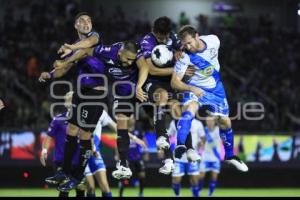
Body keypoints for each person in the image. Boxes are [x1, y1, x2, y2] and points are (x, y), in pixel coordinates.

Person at [52, 40, 146, 180]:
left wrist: (139, 86)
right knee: (75, 131)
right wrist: (68, 57)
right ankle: (70, 174)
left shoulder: (136, 56)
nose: (130, 63)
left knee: (100, 182)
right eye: (128, 59)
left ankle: (76, 176)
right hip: (114, 95)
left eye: (133, 59)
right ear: (120, 52)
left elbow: (144, 66)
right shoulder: (106, 52)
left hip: (136, 89)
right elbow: (87, 49)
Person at [39, 12, 107, 192]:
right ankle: (65, 172)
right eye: (82, 21)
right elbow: (64, 68)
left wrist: (70, 48)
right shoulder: (75, 47)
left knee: (84, 135)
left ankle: (77, 176)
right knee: (71, 129)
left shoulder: (94, 37)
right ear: (75, 25)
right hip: (80, 93)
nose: (86, 23)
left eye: (89, 20)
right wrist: (51, 74)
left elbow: (86, 46)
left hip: (95, 94)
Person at [170, 25, 248, 172]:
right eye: (184, 44)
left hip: (215, 89)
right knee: (190, 108)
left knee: (225, 121)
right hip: (194, 88)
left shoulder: (214, 40)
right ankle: (180, 145)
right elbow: (174, 82)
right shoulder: (184, 56)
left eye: (189, 42)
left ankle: (230, 156)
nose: (187, 46)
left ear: (197, 36)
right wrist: (192, 88)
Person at [136, 16, 199, 175]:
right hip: (152, 83)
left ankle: (189, 149)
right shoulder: (147, 42)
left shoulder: (174, 38)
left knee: (177, 110)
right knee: (162, 96)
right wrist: (178, 70)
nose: (163, 40)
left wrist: (182, 55)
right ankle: (162, 141)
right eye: (160, 37)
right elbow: (152, 70)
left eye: (165, 37)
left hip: (170, 83)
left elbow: (188, 54)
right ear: (153, 31)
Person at [167, 104, 205, 197]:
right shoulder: (175, 122)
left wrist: (201, 143)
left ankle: (195, 195)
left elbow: (203, 137)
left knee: (195, 180)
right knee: (176, 181)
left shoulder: (198, 123)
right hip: (179, 157)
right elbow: (169, 135)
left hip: (192, 156)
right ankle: (178, 195)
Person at [118, 116, 148, 197]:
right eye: (130, 118)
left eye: (133, 118)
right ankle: (120, 193)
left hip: (138, 157)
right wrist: (117, 154)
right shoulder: (123, 130)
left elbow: (144, 140)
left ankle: (141, 193)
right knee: (125, 178)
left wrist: (146, 151)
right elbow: (117, 142)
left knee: (142, 176)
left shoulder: (138, 130)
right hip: (127, 158)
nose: (132, 119)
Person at [198, 116, 222, 197]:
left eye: (211, 121)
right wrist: (200, 144)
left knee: (214, 177)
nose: (209, 122)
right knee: (201, 175)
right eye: (207, 121)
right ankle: (199, 191)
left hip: (215, 157)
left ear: (214, 121)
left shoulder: (218, 130)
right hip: (206, 156)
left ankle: (210, 194)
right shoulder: (203, 130)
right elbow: (201, 142)